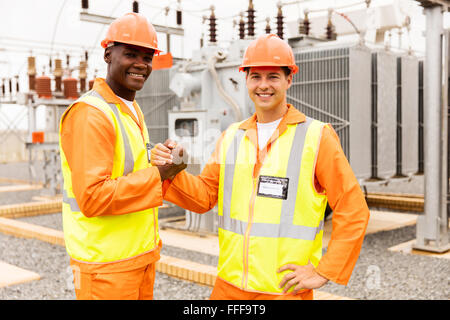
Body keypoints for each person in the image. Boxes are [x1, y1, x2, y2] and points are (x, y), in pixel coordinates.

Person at [151, 34, 370, 300]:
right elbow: (205, 195)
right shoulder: (231, 136)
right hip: (228, 288)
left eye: (273, 77)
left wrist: (325, 271)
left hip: (283, 291)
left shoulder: (316, 136)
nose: (263, 85)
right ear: (246, 80)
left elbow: (353, 208)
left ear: (289, 79)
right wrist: (171, 174)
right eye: (256, 77)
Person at [59, 12, 186, 300]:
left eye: (147, 57)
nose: (141, 64)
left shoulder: (128, 109)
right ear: (108, 55)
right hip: (105, 267)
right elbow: (92, 197)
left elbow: (124, 165)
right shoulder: (91, 114)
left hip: (136, 258)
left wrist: (155, 155)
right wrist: (160, 175)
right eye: (131, 54)